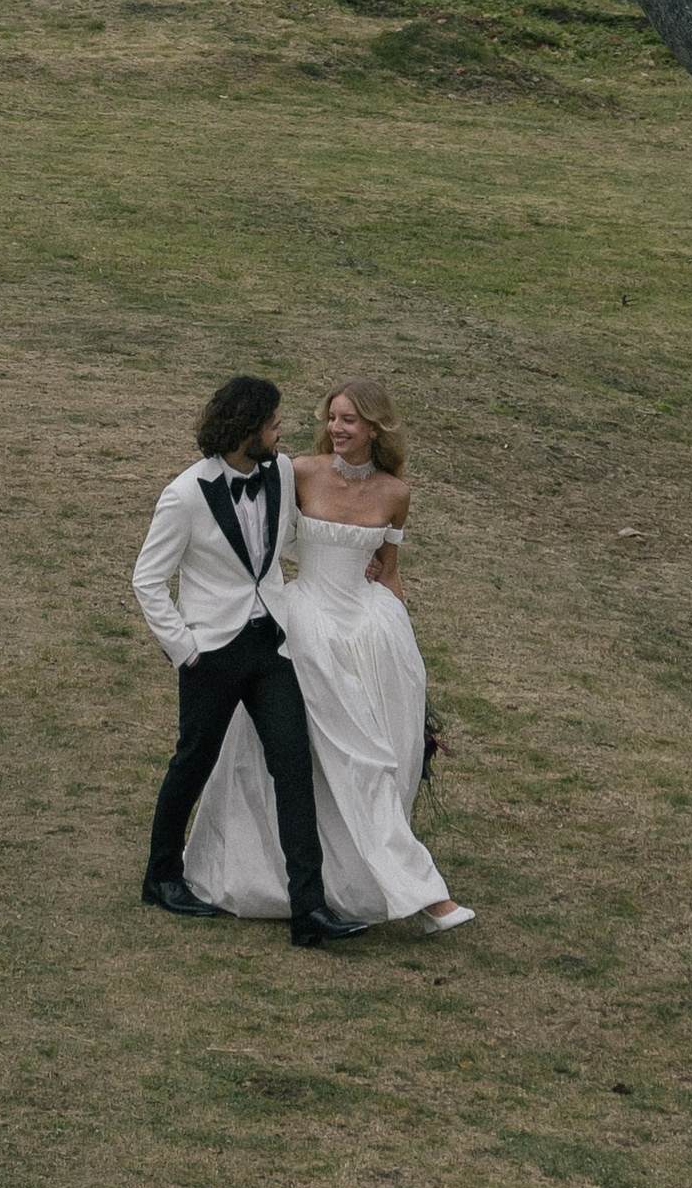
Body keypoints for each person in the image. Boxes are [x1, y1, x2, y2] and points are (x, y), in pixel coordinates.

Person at [184, 378, 474, 935]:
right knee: (354, 757)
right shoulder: (300, 472)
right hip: (306, 624)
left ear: (374, 427)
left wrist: (406, 660)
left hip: (368, 630)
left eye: (349, 420)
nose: (337, 429)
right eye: (332, 418)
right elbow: (253, 528)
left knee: (380, 751)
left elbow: (389, 574)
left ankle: (359, 881)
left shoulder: (395, 493)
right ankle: (426, 893)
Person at [131, 374, 369, 949]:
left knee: (293, 768)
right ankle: (161, 876)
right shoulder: (185, 494)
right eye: (273, 424)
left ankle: (308, 911)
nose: (282, 432)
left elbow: (290, 538)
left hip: (272, 647)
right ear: (245, 430)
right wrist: (185, 650)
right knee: (193, 761)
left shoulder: (281, 473)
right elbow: (147, 580)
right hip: (211, 654)